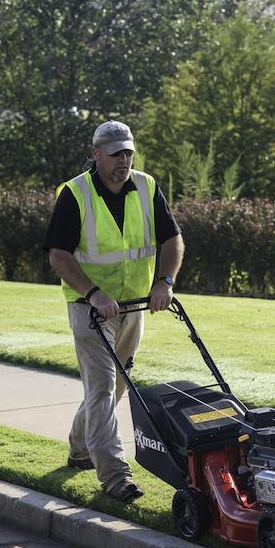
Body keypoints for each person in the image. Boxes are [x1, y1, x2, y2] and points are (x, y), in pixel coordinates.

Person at [43, 120, 183, 504]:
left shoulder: (146, 186)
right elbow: (58, 254)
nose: (124, 159)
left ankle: (78, 448)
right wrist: (93, 293)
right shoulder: (76, 194)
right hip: (89, 307)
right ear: (96, 154)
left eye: (129, 152)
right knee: (103, 386)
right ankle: (116, 477)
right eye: (116, 152)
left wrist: (165, 281)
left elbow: (172, 239)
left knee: (115, 386)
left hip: (134, 304)